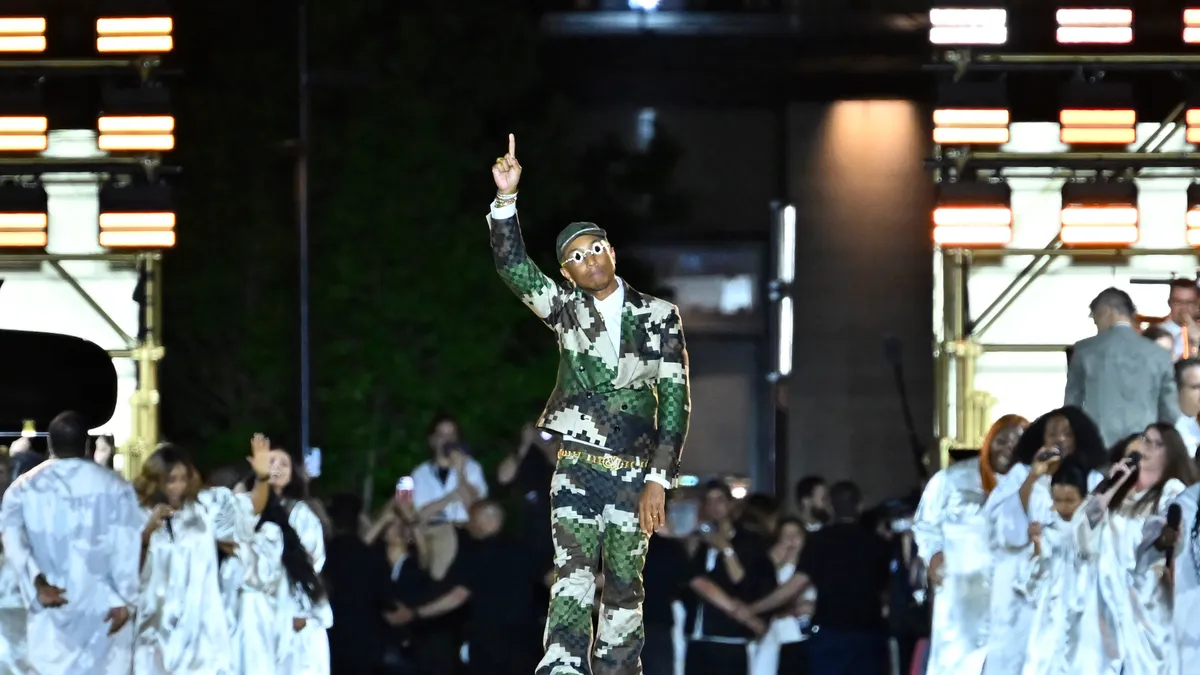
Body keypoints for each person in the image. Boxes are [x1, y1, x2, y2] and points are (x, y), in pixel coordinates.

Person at [489, 134, 691, 675]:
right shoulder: (565, 312)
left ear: (612, 251)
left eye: (595, 247)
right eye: (575, 257)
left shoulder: (659, 316)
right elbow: (513, 268)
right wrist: (506, 200)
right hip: (577, 465)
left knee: (625, 584)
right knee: (572, 573)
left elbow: (675, 396)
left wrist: (660, 479)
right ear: (567, 274)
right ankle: (562, 666)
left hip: (632, 469)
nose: (589, 259)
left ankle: (618, 668)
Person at [0, 411, 143, 675]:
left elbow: (10, 537)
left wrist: (36, 582)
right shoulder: (116, 486)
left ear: (51, 444)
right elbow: (128, 546)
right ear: (87, 444)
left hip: (51, 606)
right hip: (103, 607)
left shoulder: (23, 488)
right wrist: (126, 600)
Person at [981, 406, 1107, 675]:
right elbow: (1002, 527)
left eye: (1066, 434)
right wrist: (1033, 477)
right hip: (1021, 588)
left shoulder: (1093, 480)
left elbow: (1096, 533)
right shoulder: (1020, 475)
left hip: (1070, 588)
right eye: (1052, 434)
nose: (1059, 439)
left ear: (1078, 440)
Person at [912, 414, 1026, 675]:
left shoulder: (1031, 485)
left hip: (1012, 596)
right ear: (988, 441)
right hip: (961, 593)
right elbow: (924, 525)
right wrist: (934, 555)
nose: (1008, 447)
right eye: (1002, 440)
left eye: (1017, 443)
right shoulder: (952, 479)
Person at [1077, 423, 1193, 674]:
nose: (1146, 447)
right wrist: (1112, 485)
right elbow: (1083, 528)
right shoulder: (1119, 492)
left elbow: (1167, 537)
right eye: (1144, 440)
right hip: (1107, 598)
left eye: (1156, 443)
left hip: (1147, 604)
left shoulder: (1171, 491)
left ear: (1170, 453)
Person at [131, 442, 250, 674]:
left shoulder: (204, 509)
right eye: (171, 479)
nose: (178, 486)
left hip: (199, 622)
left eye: (183, 478)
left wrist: (263, 478)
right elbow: (127, 566)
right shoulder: (138, 513)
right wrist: (147, 532)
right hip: (156, 622)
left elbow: (241, 524)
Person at [1065, 287, 1182, 446]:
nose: (1097, 325)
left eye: (1096, 319)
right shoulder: (1159, 354)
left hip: (1097, 447)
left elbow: (1072, 407)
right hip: (1144, 447)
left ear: (1106, 311)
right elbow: (1170, 411)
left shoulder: (1084, 350)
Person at [264, 446, 332, 675]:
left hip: (292, 609)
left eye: (284, 464)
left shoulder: (301, 513)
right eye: (272, 461)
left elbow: (311, 563)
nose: (278, 468)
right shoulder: (246, 507)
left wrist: (300, 610)